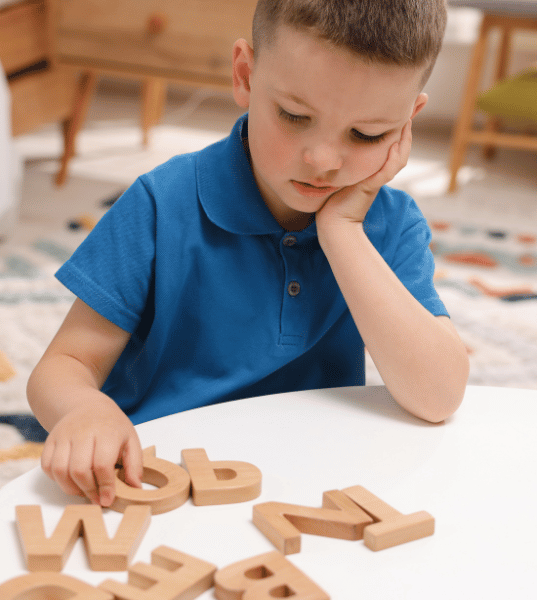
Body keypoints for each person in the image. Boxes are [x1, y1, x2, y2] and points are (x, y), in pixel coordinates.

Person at [28, 0, 469, 507]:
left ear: (408, 123)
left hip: (307, 485)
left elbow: (438, 397)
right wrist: (83, 409)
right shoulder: (162, 201)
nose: (323, 161)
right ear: (245, 74)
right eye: (294, 115)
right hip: (159, 482)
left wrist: (343, 231)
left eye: (368, 135)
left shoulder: (389, 225)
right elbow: (61, 366)